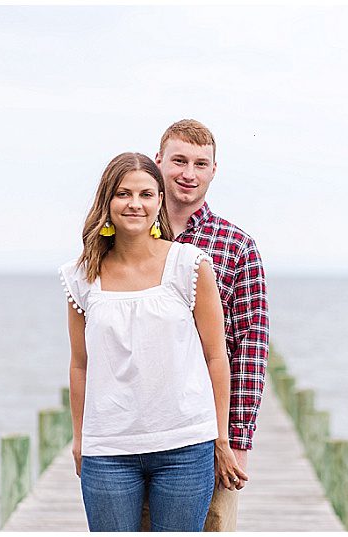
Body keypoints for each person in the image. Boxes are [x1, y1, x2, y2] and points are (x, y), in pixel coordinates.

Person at [59, 152, 248, 532]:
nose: (135, 204)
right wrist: (80, 439)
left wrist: (223, 439)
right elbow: (79, 364)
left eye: (146, 194)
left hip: (185, 447)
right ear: (107, 201)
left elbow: (216, 356)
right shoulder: (80, 276)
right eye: (123, 194)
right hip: (109, 451)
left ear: (160, 200)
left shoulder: (189, 265)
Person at [150, 119, 270, 531]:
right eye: (179, 160)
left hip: (208, 430)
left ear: (214, 171)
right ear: (158, 161)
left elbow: (250, 351)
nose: (188, 173)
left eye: (200, 164)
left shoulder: (237, 247)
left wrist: (237, 440)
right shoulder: (127, 239)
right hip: (137, 428)